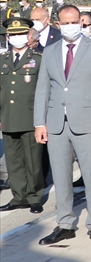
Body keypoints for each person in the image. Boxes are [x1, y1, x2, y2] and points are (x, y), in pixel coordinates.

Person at [34, 5, 91, 245]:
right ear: (58, 24)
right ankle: (65, 223)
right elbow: (43, 89)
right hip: (57, 123)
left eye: (75, 21)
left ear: (81, 22)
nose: (71, 26)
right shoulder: (50, 51)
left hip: (87, 122)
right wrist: (39, 123)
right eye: (65, 22)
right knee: (61, 177)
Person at [0, 18, 45, 214]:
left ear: (28, 36)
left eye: (21, 34)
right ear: (8, 37)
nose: (17, 38)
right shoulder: (2, 60)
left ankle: (34, 196)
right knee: (13, 159)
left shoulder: (38, 58)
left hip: (30, 116)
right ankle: (19, 196)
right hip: (8, 116)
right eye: (13, 34)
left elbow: (45, 90)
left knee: (33, 160)